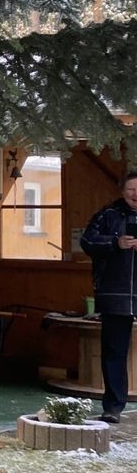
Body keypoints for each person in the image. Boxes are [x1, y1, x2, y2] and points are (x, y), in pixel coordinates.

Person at [81, 169, 137, 424]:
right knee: (114, 350)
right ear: (122, 190)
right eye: (131, 190)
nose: (135, 195)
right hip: (114, 292)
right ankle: (112, 408)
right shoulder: (108, 215)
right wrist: (116, 243)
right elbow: (86, 241)